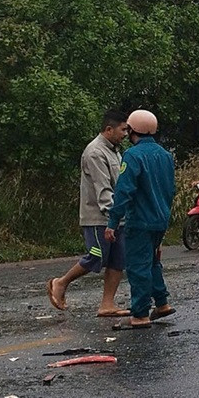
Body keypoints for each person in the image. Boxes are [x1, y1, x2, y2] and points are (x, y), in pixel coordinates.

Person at [46, 110, 131, 317]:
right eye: (123, 129)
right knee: (97, 256)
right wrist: (113, 216)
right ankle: (60, 282)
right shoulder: (95, 152)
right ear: (109, 129)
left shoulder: (114, 151)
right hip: (99, 217)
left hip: (116, 216)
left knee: (118, 260)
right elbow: (103, 190)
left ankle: (107, 304)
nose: (126, 134)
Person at [106, 109, 177, 330]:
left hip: (140, 220)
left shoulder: (133, 156)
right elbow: (170, 189)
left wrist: (112, 222)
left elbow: (124, 191)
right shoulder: (165, 156)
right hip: (161, 218)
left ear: (133, 130)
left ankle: (140, 313)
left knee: (138, 265)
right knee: (153, 261)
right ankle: (162, 302)